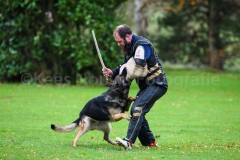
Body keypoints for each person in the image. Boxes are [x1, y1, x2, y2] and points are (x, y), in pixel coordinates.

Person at [102, 24, 168, 150]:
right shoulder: (130, 47)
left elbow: (138, 64)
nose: (118, 44)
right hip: (146, 86)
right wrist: (113, 73)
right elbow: (126, 65)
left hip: (157, 84)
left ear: (128, 36)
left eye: (120, 41)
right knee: (135, 111)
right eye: (117, 42)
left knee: (137, 108)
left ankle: (128, 141)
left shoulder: (142, 45)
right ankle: (150, 142)